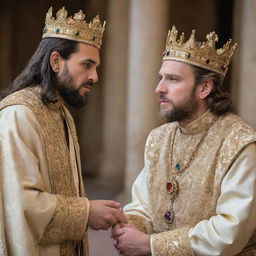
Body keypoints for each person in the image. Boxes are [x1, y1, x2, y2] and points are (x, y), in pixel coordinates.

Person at [112, 26, 256, 256]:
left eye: (173, 79)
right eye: (161, 78)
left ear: (204, 88)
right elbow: (142, 206)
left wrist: (150, 245)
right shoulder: (159, 139)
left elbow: (229, 232)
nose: (159, 88)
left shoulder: (239, 144)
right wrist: (130, 227)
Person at [0, 6, 127, 256]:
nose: (94, 76)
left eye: (96, 67)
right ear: (56, 61)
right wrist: (86, 212)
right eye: (87, 65)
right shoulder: (19, 115)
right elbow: (20, 205)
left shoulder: (60, 111)